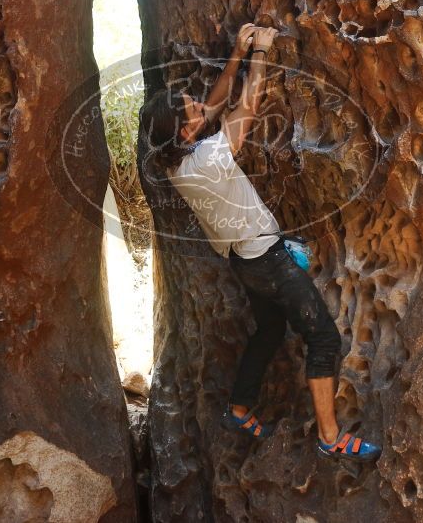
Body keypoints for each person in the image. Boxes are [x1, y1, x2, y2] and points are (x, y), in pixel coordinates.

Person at [140, 24, 381, 462]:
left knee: (269, 329)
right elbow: (247, 102)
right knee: (323, 338)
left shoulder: (178, 160)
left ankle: (238, 407)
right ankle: (330, 437)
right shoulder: (210, 159)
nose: (200, 105)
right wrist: (261, 53)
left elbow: (214, 104)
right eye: (192, 110)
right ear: (185, 131)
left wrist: (234, 51)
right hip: (267, 262)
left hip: (244, 262)